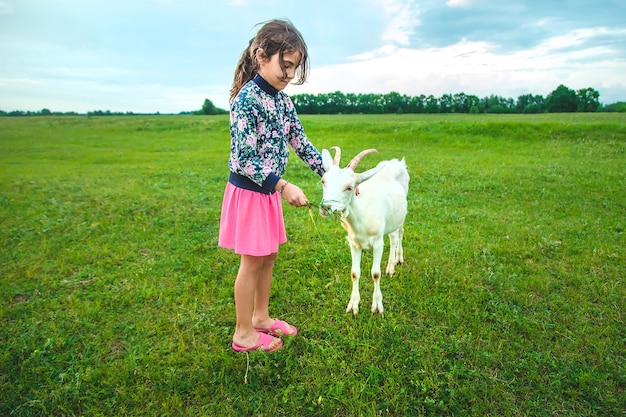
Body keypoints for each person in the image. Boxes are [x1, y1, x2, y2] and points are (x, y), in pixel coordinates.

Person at [219, 19, 325, 353]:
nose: (291, 75)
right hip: (252, 192)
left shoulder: (283, 102)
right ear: (262, 55)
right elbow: (244, 159)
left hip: (267, 192)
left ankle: (261, 318)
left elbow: (300, 141)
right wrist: (283, 185)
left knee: (268, 256)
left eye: (295, 68)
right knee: (251, 262)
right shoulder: (247, 100)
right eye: (286, 65)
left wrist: (330, 175)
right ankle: (243, 333)